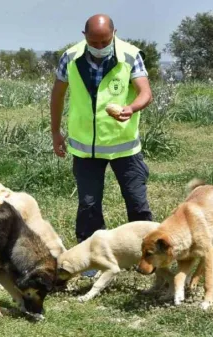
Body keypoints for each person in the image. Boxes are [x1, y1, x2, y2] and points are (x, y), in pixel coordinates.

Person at [50, 14, 154, 277]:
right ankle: (89, 261)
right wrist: (55, 132)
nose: (99, 47)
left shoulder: (130, 55)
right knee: (88, 205)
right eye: (93, 42)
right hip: (85, 149)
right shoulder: (70, 57)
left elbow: (145, 92)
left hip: (125, 148)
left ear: (114, 34)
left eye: (104, 41)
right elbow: (58, 94)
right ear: (84, 36)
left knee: (137, 203)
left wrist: (130, 108)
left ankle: (150, 254)